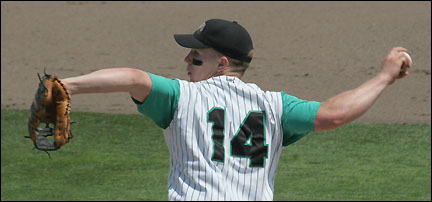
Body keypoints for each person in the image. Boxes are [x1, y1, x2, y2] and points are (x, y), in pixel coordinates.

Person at [61, 19, 412, 201]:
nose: (187, 59)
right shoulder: (277, 106)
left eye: (196, 54)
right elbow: (336, 114)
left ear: (222, 63)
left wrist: (66, 86)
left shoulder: (181, 96)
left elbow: (133, 77)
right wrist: (383, 77)